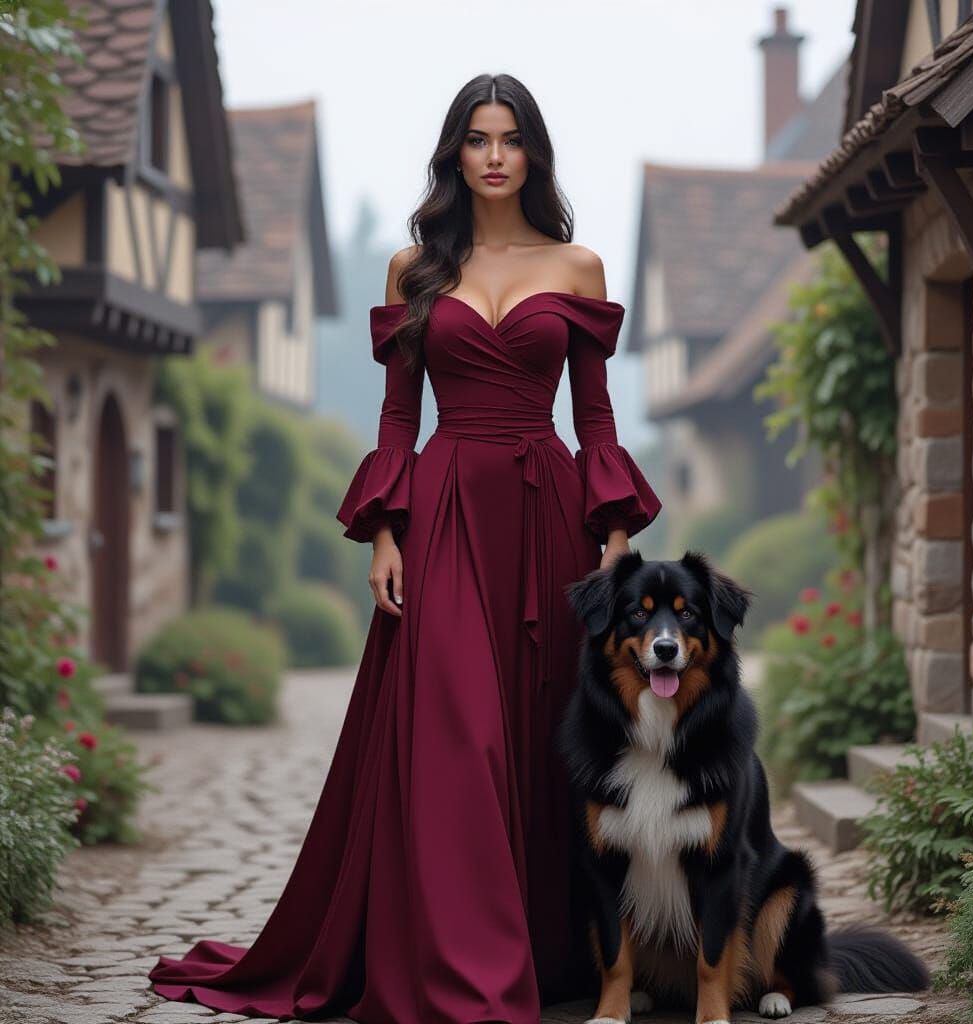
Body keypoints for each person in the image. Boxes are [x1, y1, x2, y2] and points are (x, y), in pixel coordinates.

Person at [148, 71, 661, 1024]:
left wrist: (617, 543)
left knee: (542, 733)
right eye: (478, 137)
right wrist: (383, 531)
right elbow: (396, 418)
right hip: (445, 513)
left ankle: (550, 952)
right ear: (455, 153)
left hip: (548, 518)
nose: (495, 154)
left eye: (511, 137)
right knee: (458, 733)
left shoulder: (577, 267)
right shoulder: (413, 269)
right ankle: (467, 970)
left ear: (534, 152)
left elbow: (596, 421)